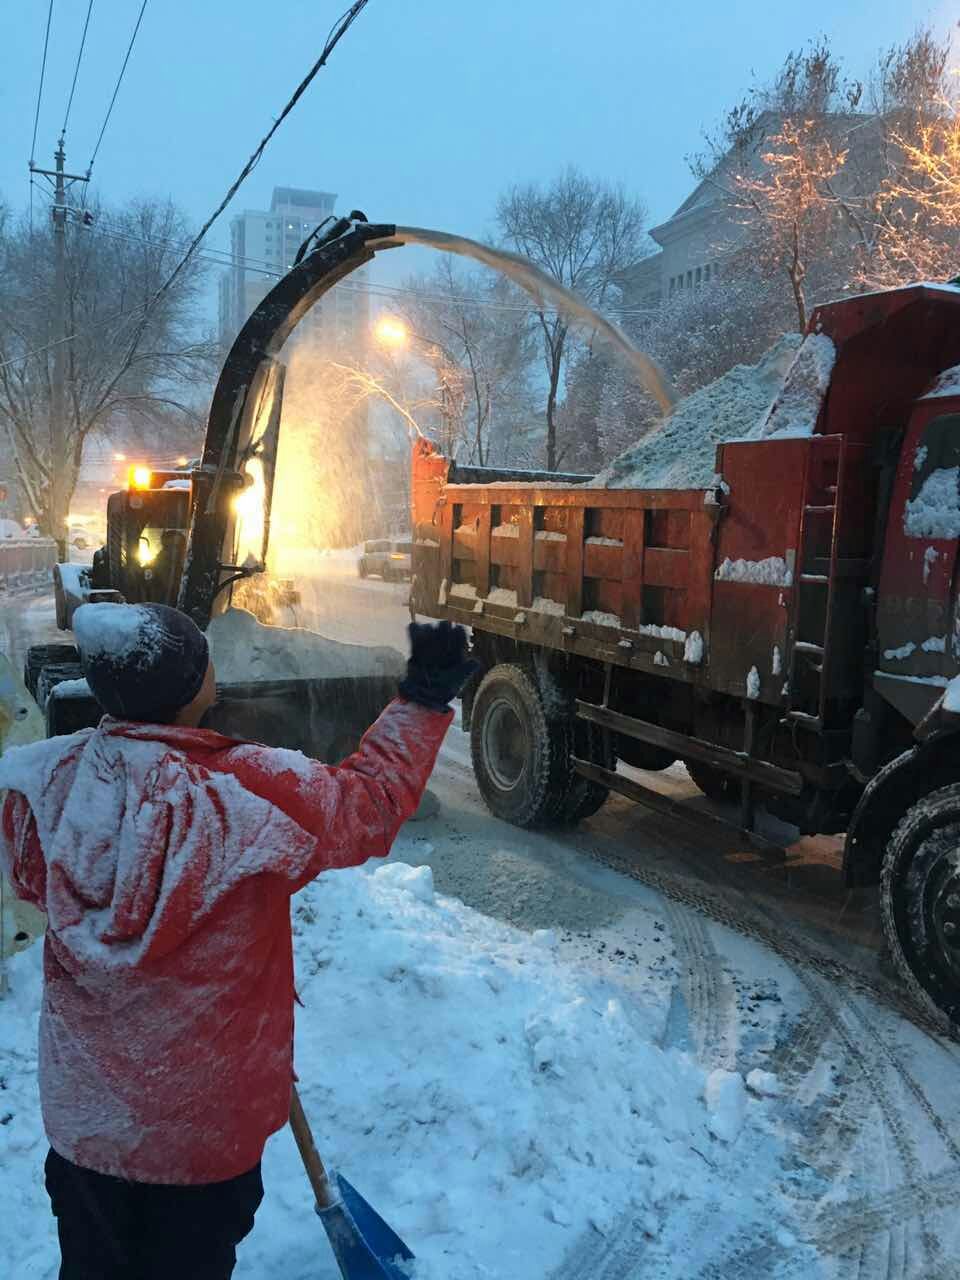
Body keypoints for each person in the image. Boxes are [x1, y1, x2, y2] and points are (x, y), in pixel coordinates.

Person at [0, 603, 476, 1280]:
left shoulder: (39, 784)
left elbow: (24, 874)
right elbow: (366, 807)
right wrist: (423, 700)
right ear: (196, 687)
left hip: (87, 1124)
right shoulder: (246, 791)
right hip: (204, 1134)